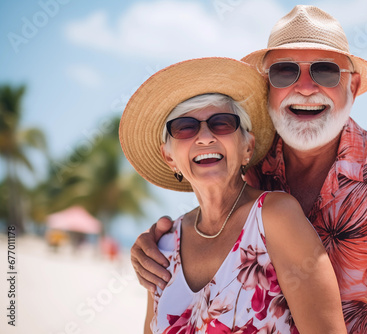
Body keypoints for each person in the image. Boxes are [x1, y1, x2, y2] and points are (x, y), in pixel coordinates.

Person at [130, 6, 367, 333]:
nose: (305, 87)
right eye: (285, 72)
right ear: (269, 88)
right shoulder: (249, 165)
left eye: (324, 71)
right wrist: (152, 246)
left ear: (352, 86)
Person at [120, 57, 346, 333]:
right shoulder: (164, 245)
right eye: (185, 127)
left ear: (247, 147)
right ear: (169, 157)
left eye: (222, 123)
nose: (204, 137)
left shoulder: (275, 216)